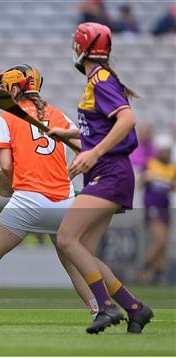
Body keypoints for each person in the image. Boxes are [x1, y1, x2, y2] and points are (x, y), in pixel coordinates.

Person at [0, 64, 98, 325]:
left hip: (28, 201)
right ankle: (99, 309)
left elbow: (5, 166)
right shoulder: (59, 116)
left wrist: (13, 180)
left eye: (6, 87)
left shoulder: (7, 118)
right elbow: (86, 150)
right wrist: (68, 175)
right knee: (73, 263)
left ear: (14, 88)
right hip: (65, 201)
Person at [49, 22, 153, 334]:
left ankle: (106, 307)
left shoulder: (101, 80)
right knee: (83, 249)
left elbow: (127, 119)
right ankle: (135, 308)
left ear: (81, 48)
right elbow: (99, 133)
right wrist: (69, 134)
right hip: (108, 174)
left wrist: (94, 154)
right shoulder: (99, 79)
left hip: (109, 174)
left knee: (66, 238)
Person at [137, 134, 176, 284]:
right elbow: (140, 183)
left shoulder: (172, 168)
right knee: (160, 240)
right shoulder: (150, 163)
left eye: (167, 151)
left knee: (164, 243)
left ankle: (157, 274)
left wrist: (160, 179)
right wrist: (146, 177)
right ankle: (144, 268)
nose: (165, 153)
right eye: (163, 151)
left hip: (165, 206)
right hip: (152, 205)